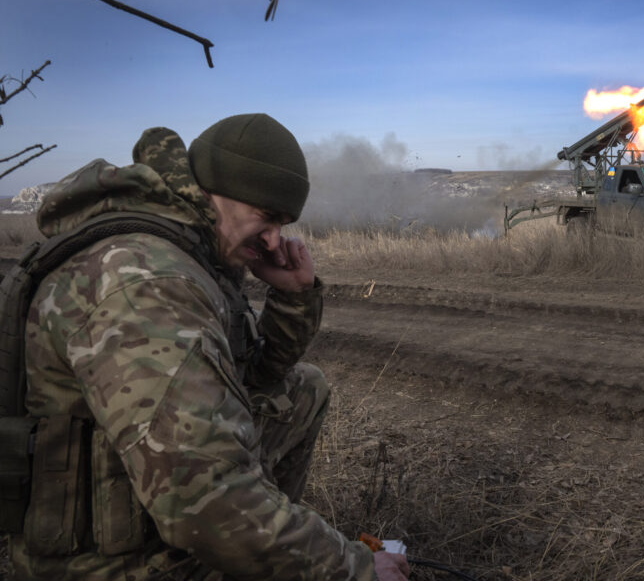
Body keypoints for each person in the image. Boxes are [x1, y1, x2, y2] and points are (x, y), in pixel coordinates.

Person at [9, 114, 410, 581]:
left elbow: (253, 381)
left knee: (302, 389)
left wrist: (293, 298)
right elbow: (202, 496)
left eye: (283, 223)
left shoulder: (187, 252)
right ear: (217, 192)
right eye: (266, 217)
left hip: (139, 508)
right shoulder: (149, 281)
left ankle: (260, 546)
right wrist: (353, 568)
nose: (274, 240)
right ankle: (251, 553)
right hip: (107, 565)